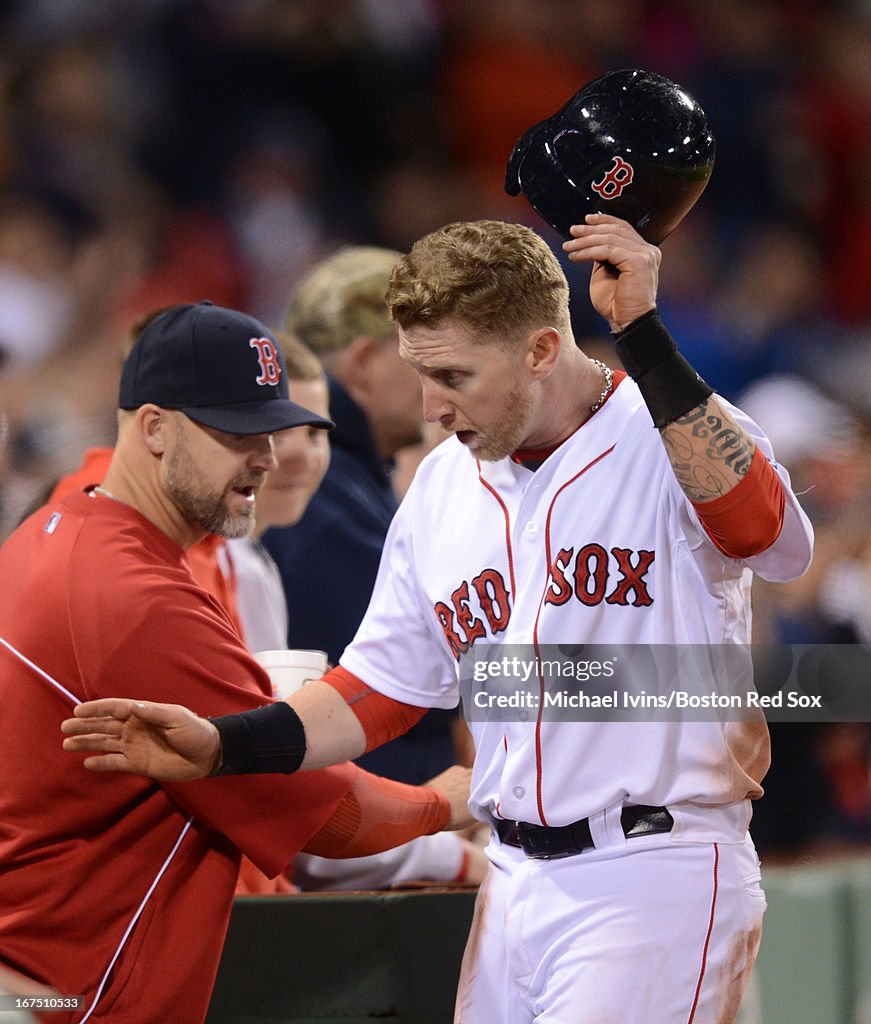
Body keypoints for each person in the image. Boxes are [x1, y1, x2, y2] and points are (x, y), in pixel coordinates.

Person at [63, 216, 814, 1024]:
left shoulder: (671, 432)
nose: (430, 405)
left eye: (454, 376)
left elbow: (770, 541)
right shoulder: (444, 484)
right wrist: (227, 744)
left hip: (652, 869)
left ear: (539, 349)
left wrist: (645, 338)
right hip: (512, 880)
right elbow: (379, 688)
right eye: (421, 374)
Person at [0, 300, 472, 1024]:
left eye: (273, 429)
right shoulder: (133, 594)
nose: (269, 457)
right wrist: (450, 802)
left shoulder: (55, 529)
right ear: (154, 427)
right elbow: (329, 819)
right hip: (72, 991)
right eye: (236, 431)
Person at [263, 245, 460, 784]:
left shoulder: (348, 485)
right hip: (373, 832)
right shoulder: (314, 495)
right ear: (365, 364)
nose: (446, 383)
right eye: (427, 361)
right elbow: (441, 664)